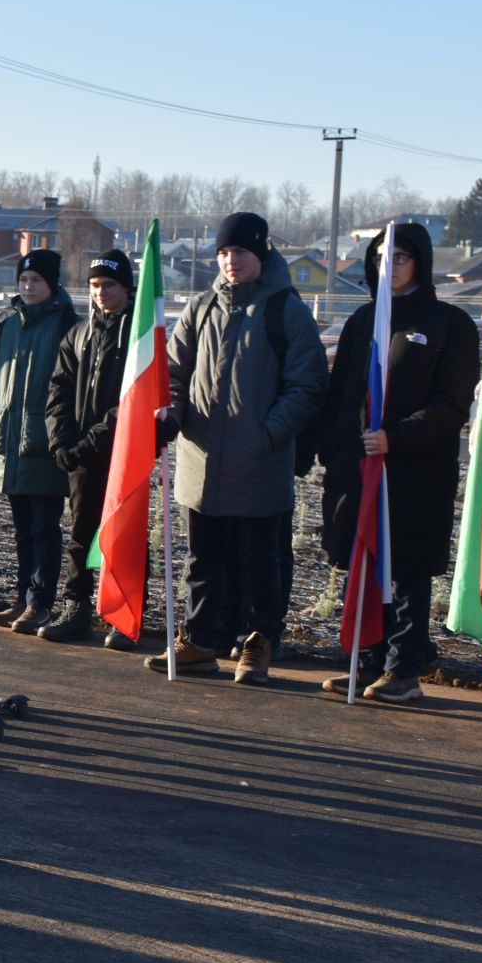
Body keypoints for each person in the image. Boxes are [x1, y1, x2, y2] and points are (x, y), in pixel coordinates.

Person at [153, 212, 326, 684]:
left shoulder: (285, 310)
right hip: (201, 461)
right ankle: (201, 641)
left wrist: (268, 435)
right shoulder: (202, 307)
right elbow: (174, 373)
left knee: (260, 562)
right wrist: (171, 413)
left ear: (261, 254)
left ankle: (258, 643)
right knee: (202, 561)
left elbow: (307, 386)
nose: (231, 261)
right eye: (225, 253)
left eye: (241, 252)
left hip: (259, 465)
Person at [317, 224, 477, 703]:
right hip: (359, 466)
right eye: (382, 256)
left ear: (421, 262)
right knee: (363, 561)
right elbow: (339, 395)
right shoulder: (361, 322)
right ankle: (366, 662)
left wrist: (397, 437)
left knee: (405, 568)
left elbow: (452, 406)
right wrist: (334, 448)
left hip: (415, 470)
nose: (391, 266)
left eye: (402, 257)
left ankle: (403, 667)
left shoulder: (450, 323)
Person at [0, 249, 77, 633]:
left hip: (46, 445)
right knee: (21, 527)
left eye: (36, 280)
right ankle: (22, 597)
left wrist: (61, 432)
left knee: (44, 528)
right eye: (23, 280)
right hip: (9, 442)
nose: (28, 287)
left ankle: (40, 602)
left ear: (52, 285)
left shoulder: (68, 325)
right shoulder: (8, 326)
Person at [41, 249, 136, 647]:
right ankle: (77, 607)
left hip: (123, 453)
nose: (100, 293)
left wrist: (91, 440)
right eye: (94, 285)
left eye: (108, 285)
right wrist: (61, 440)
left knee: (123, 535)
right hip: (80, 455)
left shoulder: (139, 335)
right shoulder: (78, 334)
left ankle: (124, 615)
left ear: (127, 288)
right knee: (81, 533)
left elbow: (133, 398)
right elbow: (58, 389)